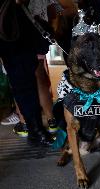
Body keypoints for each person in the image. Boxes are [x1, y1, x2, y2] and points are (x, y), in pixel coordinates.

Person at [0, 0, 54, 146]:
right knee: (22, 79)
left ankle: (36, 130)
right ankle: (35, 130)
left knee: (25, 78)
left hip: (16, 25)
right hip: (8, 25)